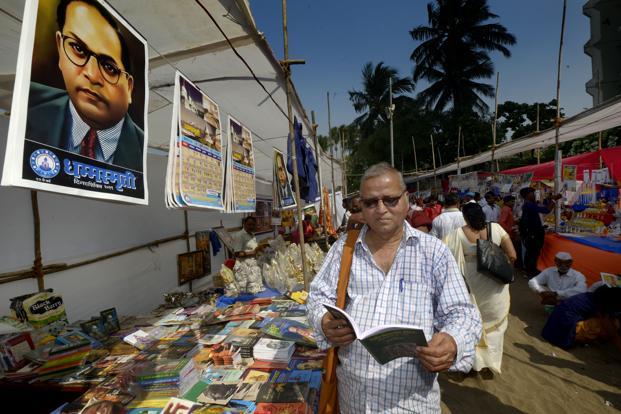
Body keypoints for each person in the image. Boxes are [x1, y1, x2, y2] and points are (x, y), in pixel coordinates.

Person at [307, 162, 481, 413]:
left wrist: (452, 341)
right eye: (370, 202)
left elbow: (462, 313)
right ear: (361, 206)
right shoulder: (343, 249)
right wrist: (324, 321)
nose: (381, 210)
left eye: (390, 200)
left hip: (411, 401)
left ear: (406, 200)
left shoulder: (434, 253)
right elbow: (317, 295)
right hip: (353, 399)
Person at [27, 0, 143, 172]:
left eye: (109, 67)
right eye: (78, 49)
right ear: (60, 46)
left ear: (129, 88)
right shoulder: (28, 106)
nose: (92, 74)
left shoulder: (141, 150)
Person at [444, 203, 517, 375]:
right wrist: (496, 262)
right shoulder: (496, 228)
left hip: (471, 287)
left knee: (471, 323)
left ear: (465, 217)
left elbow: (442, 253)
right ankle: (489, 363)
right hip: (495, 286)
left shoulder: (457, 234)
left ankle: (471, 362)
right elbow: (513, 255)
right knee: (495, 326)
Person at [541, 285, 621, 350]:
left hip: (550, 329)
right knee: (603, 326)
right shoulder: (603, 306)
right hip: (561, 335)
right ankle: (576, 337)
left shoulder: (589, 296)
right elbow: (611, 330)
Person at [519, 187, 562, 277]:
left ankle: (529, 270)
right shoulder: (529, 205)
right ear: (528, 195)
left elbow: (542, 205)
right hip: (533, 233)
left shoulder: (530, 204)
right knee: (533, 253)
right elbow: (546, 210)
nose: (535, 195)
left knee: (532, 252)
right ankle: (530, 272)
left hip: (534, 232)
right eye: (533, 193)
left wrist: (550, 198)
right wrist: (553, 200)